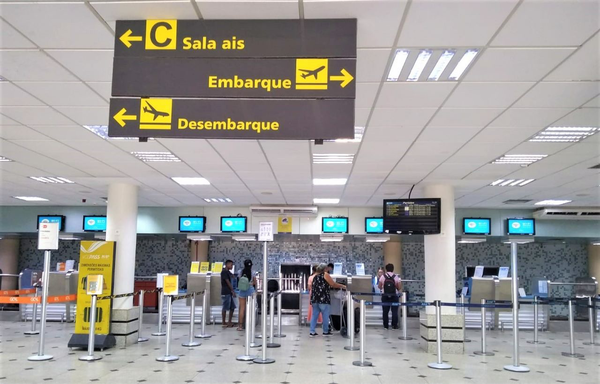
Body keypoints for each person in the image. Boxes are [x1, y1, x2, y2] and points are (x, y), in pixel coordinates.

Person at [310, 263, 346, 337]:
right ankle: (325, 332)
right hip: (323, 299)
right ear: (325, 269)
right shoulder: (325, 274)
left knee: (314, 316)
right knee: (325, 316)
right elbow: (333, 284)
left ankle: (312, 332)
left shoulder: (315, 276)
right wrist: (343, 286)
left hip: (315, 299)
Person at [378, 263, 401, 330]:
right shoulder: (396, 277)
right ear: (393, 269)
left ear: (386, 269)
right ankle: (394, 325)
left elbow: (379, 286)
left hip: (385, 296)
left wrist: (383, 287)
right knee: (394, 311)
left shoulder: (383, 277)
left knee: (385, 311)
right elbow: (399, 287)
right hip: (394, 296)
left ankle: (386, 326)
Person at [236, 259, 256, 331]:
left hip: (242, 291)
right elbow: (254, 283)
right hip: (250, 290)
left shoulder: (240, 272)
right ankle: (250, 324)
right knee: (251, 308)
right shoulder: (253, 272)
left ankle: (240, 326)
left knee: (242, 308)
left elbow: (239, 281)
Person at [221, 259, 236, 328]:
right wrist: (232, 291)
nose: (232, 266)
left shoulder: (227, 272)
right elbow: (228, 282)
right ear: (227, 264)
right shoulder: (224, 272)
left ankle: (229, 321)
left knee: (232, 307)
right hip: (226, 291)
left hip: (229, 292)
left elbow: (232, 276)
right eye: (231, 264)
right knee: (225, 307)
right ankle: (224, 322)